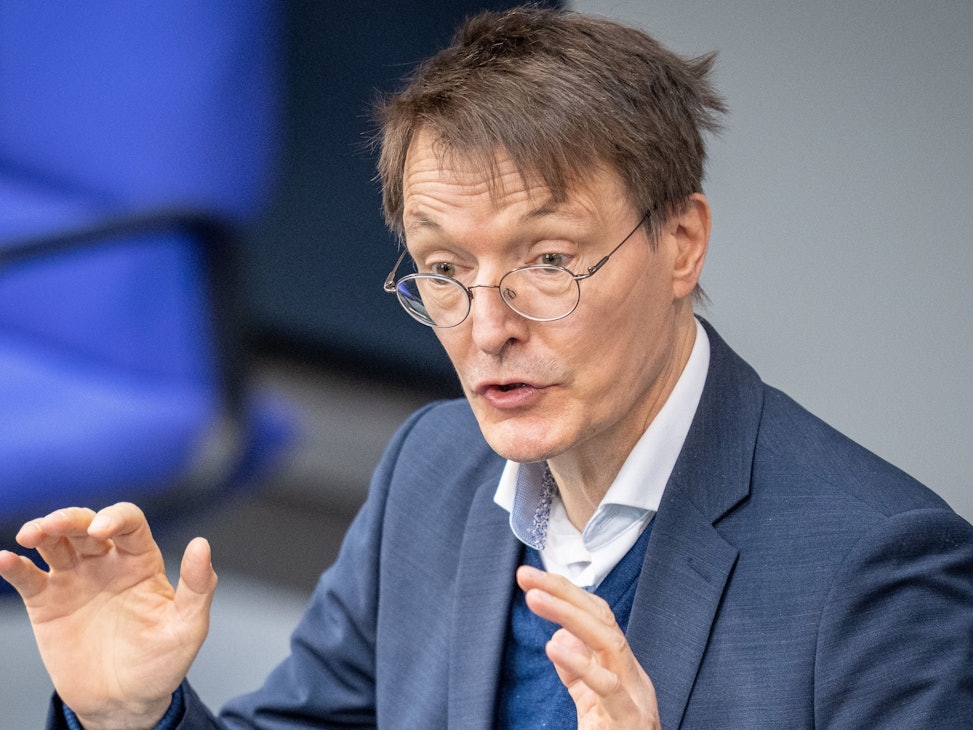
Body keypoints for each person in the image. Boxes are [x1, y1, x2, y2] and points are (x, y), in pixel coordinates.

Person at [2, 6, 972, 728]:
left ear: (681, 243)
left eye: (547, 262)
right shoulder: (438, 465)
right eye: (443, 270)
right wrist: (134, 714)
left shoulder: (878, 571)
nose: (487, 327)